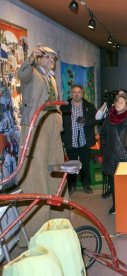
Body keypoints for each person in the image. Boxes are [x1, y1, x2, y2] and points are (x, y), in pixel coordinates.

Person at [17, 45, 69, 241]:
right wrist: (31, 58)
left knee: (55, 172)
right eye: (46, 57)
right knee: (36, 175)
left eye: (52, 58)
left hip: (52, 128)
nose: (50, 61)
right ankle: (36, 232)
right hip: (35, 126)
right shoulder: (32, 74)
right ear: (39, 58)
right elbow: (21, 75)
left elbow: (57, 102)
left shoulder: (52, 78)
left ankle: (58, 223)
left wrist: (59, 123)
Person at [100, 94, 127, 215]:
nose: (118, 104)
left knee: (125, 184)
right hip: (111, 156)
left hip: (124, 158)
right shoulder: (108, 118)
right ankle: (116, 205)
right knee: (113, 184)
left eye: (121, 102)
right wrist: (104, 149)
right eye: (117, 101)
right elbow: (102, 134)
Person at [61, 84, 98, 195]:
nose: (76, 94)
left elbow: (97, 120)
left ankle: (86, 184)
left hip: (84, 140)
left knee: (85, 163)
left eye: (78, 92)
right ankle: (72, 185)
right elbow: (60, 123)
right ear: (71, 93)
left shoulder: (89, 106)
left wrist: (85, 121)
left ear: (82, 94)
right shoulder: (64, 107)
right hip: (70, 140)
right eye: (74, 92)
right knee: (72, 164)